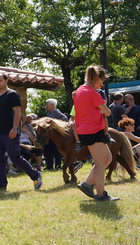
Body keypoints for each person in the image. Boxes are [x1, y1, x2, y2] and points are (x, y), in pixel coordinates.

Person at [0, 74, 43, 191]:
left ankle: (35, 175)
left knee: (15, 157)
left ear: (6, 81)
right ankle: (1, 184)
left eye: (0, 80)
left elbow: (18, 112)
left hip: (11, 131)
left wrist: (14, 128)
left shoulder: (12, 94)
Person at [74, 66, 118, 201]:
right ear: (97, 78)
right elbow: (108, 112)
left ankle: (87, 184)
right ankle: (100, 194)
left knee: (108, 159)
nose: (102, 84)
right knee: (100, 163)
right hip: (92, 130)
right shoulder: (92, 93)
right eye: (102, 81)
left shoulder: (80, 90)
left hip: (88, 130)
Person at [44, 98, 67, 169]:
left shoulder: (56, 111)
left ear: (52, 105)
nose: (46, 106)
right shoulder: (48, 113)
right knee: (47, 149)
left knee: (55, 150)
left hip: (55, 135)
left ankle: (58, 165)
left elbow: (64, 118)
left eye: (47, 104)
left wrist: (56, 124)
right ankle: (49, 166)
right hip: (49, 135)